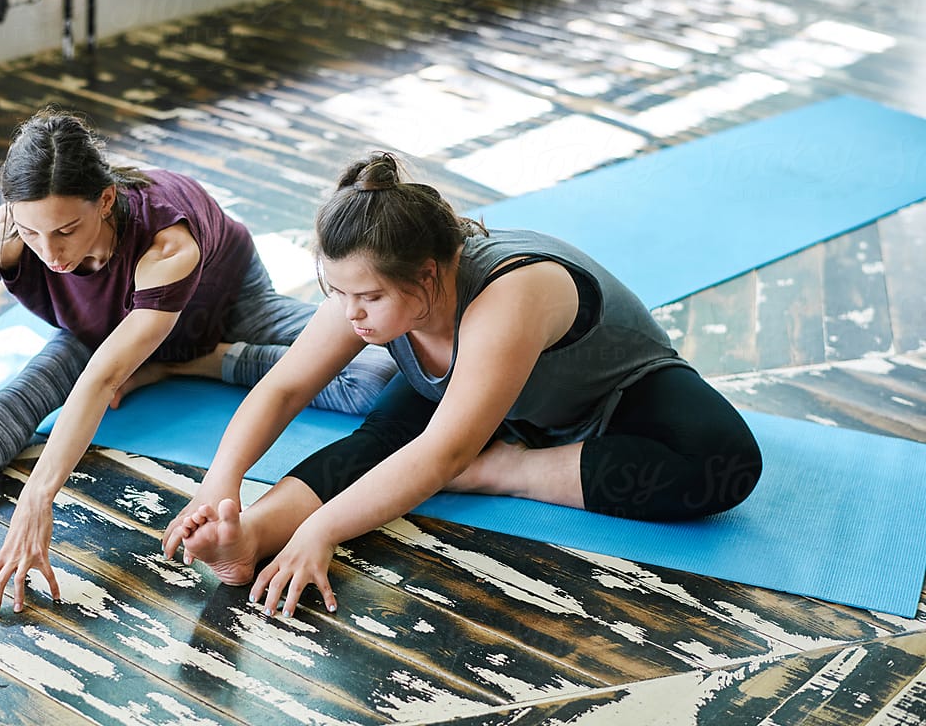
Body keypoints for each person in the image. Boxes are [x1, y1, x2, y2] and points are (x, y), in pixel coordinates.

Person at [0, 109, 395, 617]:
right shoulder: (10, 231)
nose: (48, 251)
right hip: (108, 329)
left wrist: (40, 494)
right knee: (29, 390)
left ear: (106, 202)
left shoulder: (167, 240)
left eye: (66, 231)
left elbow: (105, 379)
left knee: (372, 377)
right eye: (31, 232)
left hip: (224, 309)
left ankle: (192, 365)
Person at [162, 151, 763, 617]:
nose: (350, 313)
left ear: (427, 276)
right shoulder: (363, 289)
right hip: (480, 403)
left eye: (369, 297)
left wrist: (323, 529)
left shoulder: (510, 291)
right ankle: (251, 537)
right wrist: (221, 489)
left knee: (723, 465)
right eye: (336, 292)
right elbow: (283, 388)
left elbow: (442, 451)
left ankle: (504, 468)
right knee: (382, 439)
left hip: (614, 396)